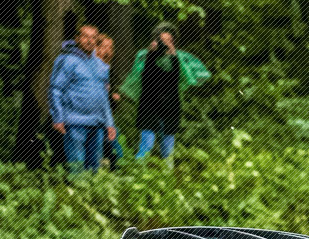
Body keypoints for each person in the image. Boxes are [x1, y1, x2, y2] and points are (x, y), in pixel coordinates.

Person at [119, 24, 211, 161]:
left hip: (170, 108)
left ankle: (166, 173)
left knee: (168, 149)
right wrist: (151, 53)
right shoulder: (146, 56)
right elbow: (145, 76)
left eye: (169, 40)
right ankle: (138, 170)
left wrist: (173, 56)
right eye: (162, 40)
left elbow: (179, 77)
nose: (165, 44)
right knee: (146, 145)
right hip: (149, 107)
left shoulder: (179, 59)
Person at [48, 23, 114, 171]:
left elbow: (103, 96)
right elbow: (55, 89)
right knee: (77, 168)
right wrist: (58, 117)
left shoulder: (99, 64)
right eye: (85, 37)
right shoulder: (67, 60)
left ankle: (90, 187)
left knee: (94, 170)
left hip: (97, 124)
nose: (90, 41)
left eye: (94, 38)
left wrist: (109, 123)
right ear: (77, 38)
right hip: (74, 122)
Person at [96, 35, 124, 170]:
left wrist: (114, 96)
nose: (108, 51)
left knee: (113, 143)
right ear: (96, 48)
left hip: (107, 116)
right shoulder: (92, 67)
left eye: (110, 47)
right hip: (93, 116)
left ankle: (116, 168)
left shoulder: (109, 70)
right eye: (104, 47)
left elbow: (112, 91)